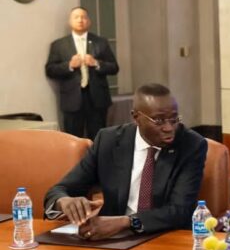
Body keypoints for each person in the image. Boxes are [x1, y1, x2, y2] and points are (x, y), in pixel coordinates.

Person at [44, 83, 208, 240]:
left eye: (174, 119)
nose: (169, 128)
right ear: (136, 117)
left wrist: (127, 222)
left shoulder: (191, 145)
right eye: (159, 121)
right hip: (112, 238)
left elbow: (180, 211)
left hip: (166, 237)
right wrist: (63, 202)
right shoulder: (108, 141)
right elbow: (60, 189)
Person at [45, 6, 120, 139]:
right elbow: (50, 70)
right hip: (72, 100)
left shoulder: (100, 42)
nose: (80, 20)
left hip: (97, 99)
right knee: (72, 139)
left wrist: (96, 63)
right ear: (70, 21)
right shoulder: (59, 45)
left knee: (98, 138)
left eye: (83, 17)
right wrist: (69, 65)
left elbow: (114, 68)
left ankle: (97, 160)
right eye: (76, 17)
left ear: (89, 21)